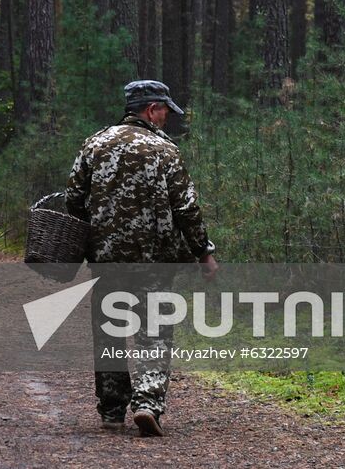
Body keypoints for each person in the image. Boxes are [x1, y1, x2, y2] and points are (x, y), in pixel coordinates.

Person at [65, 79, 219, 437]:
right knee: (154, 329)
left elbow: (73, 199)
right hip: (155, 258)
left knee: (109, 330)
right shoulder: (164, 150)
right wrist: (203, 252)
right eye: (165, 110)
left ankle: (112, 410)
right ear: (152, 109)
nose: (166, 117)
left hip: (105, 259)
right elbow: (186, 207)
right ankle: (147, 403)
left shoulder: (95, 144)